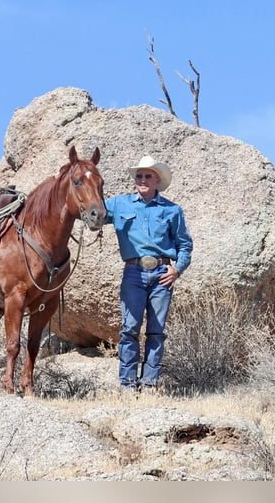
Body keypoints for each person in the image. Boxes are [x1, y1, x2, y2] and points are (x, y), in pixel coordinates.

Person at [104, 155, 193, 391]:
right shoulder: (119, 204)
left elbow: (185, 245)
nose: (142, 180)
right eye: (139, 176)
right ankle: (127, 384)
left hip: (162, 273)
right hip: (133, 273)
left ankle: (150, 384)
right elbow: (93, 211)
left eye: (147, 176)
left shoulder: (172, 210)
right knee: (129, 329)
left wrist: (177, 270)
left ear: (157, 180)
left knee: (156, 331)